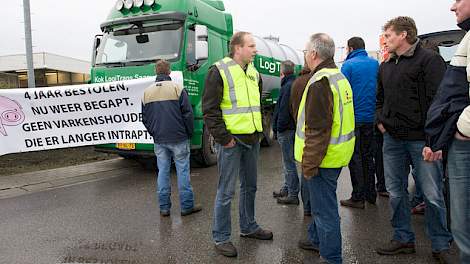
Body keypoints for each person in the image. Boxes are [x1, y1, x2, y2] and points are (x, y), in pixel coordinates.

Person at [374, 17, 453, 261]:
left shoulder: (429, 61)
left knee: (431, 194)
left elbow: (440, 102)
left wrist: (434, 141)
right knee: (396, 193)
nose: (385, 40)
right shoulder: (386, 66)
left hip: (422, 141)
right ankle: (403, 239)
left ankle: (440, 245)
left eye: (388, 35)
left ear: (404, 35)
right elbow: (379, 99)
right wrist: (381, 122)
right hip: (392, 140)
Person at [202, 31, 273, 258]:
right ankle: (221, 237)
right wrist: (225, 139)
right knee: (226, 191)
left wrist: (260, 129)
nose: (255, 49)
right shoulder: (218, 70)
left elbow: (258, 105)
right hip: (232, 142)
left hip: (252, 139)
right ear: (237, 48)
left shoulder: (254, 72)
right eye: (251, 46)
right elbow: (210, 110)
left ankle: (248, 226)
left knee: (250, 186)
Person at [295, 33, 355, 264]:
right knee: (324, 206)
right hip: (337, 155)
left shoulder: (320, 82)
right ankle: (315, 240)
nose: (305, 55)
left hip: (323, 159)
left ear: (313, 54)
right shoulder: (338, 76)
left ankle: (331, 257)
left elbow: (317, 130)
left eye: (305, 51)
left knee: (324, 211)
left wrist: (309, 165)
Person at [424, 1, 470, 262]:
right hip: (445, 136)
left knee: (462, 226)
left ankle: (441, 244)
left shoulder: (428, 60)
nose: (453, 7)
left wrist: (462, 130)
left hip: (461, 139)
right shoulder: (467, 37)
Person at [141, 59, 202, 217]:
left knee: (163, 172)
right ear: (169, 72)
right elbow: (188, 114)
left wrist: (154, 133)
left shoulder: (147, 92)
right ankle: (187, 206)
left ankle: (164, 208)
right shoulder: (178, 88)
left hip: (160, 139)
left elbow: (145, 119)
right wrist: (188, 133)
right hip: (179, 138)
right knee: (182, 172)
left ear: (156, 71)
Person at [339, 37, 379, 209]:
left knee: (355, 158)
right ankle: (371, 194)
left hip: (354, 119)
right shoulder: (375, 64)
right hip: (371, 118)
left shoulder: (348, 66)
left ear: (350, 48)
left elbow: (343, 94)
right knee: (368, 156)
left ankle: (358, 197)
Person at [272, 60, 300, 205]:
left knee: (289, 163)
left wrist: (278, 129)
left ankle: (293, 194)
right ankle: (287, 188)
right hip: (292, 128)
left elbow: (282, 111)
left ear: (281, 73)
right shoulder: (293, 83)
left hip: (287, 130)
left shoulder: (287, 86)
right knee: (287, 162)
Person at [290, 65, 313, 216]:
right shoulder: (315, 80)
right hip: (315, 130)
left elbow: (292, 106)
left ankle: (307, 208)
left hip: (301, 129)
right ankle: (313, 207)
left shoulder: (297, 82)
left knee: (305, 170)